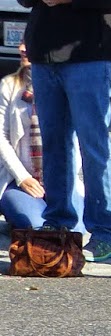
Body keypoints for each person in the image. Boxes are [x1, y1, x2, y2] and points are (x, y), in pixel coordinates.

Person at [17, 0, 111, 261]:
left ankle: (105, 233)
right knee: (53, 144)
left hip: (90, 55)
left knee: (93, 145)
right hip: (44, 54)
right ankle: (58, 221)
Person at [0, 44, 49, 235]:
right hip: (17, 180)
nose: (21, 48)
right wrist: (23, 178)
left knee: (72, 228)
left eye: (29, 42)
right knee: (37, 227)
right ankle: (14, 207)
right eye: (21, 42)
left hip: (58, 181)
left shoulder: (65, 86)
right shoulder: (9, 85)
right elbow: (1, 137)